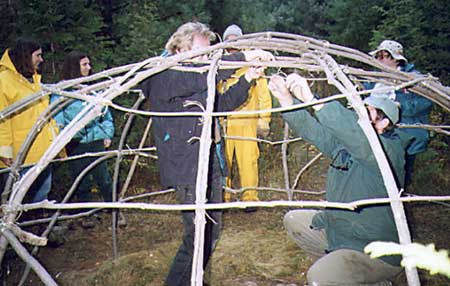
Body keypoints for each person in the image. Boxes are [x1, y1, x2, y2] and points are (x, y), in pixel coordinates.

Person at [140, 22, 273, 286]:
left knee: (211, 231)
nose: (207, 60)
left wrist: (248, 77)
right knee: (197, 234)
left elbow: (220, 103)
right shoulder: (163, 73)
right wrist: (243, 57)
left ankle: (192, 278)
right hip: (187, 165)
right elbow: (201, 77)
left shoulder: (197, 75)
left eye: (209, 54)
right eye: (202, 53)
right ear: (179, 47)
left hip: (208, 159)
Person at [268, 73, 411, 285]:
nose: (359, 117)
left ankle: (356, 277)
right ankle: (343, 273)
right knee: (294, 220)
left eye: (368, 113)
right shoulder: (346, 147)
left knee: (318, 277)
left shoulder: (389, 152)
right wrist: (288, 101)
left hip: (374, 251)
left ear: (384, 123)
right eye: (359, 111)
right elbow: (315, 132)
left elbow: (359, 140)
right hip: (341, 234)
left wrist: (313, 100)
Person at [50, 51, 117, 228]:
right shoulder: (62, 92)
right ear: (74, 67)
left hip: (96, 140)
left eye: (89, 64)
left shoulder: (93, 89)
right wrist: (63, 139)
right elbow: (57, 119)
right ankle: (86, 214)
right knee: (81, 180)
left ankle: (114, 209)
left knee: (103, 178)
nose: (89, 68)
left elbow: (106, 114)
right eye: (84, 65)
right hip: (75, 143)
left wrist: (106, 134)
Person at [367, 40, 433, 186]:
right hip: (377, 131)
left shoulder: (413, 79)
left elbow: (426, 103)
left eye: (384, 56)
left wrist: (398, 106)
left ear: (396, 59)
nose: (380, 60)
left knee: (400, 172)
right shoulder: (374, 78)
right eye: (378, 56)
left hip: (404, 133)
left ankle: (401, 199)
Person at [219, 24, 272, 206]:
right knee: (221, 161)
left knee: (248, 161)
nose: (232, 44)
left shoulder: (252, 62)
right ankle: (221, 198)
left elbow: (264, 94)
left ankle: (250, 199)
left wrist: (264, 120)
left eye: (236, 40)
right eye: (229, 41)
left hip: (246, 121)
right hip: (223, 123)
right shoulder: (218, 64)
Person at [0, 38, 58, 203]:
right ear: (26, 56)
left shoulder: (34, 80)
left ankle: (40, 227)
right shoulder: (3, 81)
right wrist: (4, 150)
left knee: (41, 193)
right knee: (20, 198)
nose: (41, 59)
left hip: (41, 150)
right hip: (21, 154)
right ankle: (20, 227)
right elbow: (1, 119)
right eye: (38, 55)